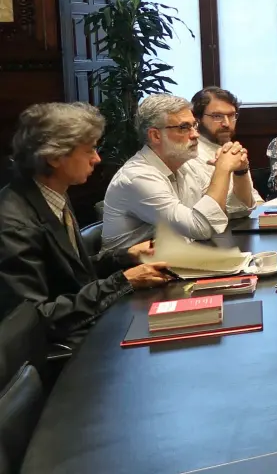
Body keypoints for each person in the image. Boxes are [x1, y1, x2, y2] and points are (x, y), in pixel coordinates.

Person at [0, 104, 172, 347]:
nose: (97, 158)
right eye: (89, 149)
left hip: (89, 327)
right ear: (54, 157)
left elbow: (67, 273)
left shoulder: (51, 193)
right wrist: (123, 281)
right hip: (66, 351)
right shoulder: (14, 225)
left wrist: (125, 257)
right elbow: (34, 321)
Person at [102, 95, 247, 253]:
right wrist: (223, 169)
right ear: (155, 135)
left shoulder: (185, 165)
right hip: (135, 267)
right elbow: (201, 228)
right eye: (184, 127)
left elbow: (235, 210)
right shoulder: (138, 177)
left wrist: (240, 171)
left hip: (178, 259)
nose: (195, 134)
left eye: (194, 125)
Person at [191, 87, 263, 218]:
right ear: (197, 118)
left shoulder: (232, 148)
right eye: (217, 116)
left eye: (231, 116)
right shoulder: (192, 155)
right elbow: (214, 213)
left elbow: (252, 198)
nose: (226, 123)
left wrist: (268, 212)